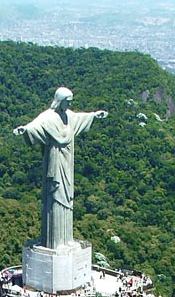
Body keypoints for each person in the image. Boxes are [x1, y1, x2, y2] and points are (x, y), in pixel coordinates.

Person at [14, 87, 107, 249]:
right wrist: (25, 130)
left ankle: (66, 239)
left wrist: (94, 115)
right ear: (60, 101)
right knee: (55, 197)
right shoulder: (48, 117)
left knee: (67, 198)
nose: (69, 105)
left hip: (67, 163)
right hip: (55, 163)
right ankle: (54, 241)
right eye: (67, 102)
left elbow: (80, 117)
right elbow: (35, 126)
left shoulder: (69, 116)